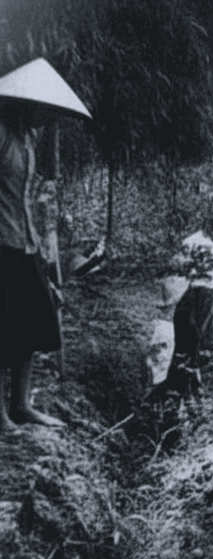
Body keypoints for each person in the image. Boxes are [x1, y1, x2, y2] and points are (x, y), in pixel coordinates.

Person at [0, 58, 91, 432]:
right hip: (0, 242)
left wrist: (41, 239)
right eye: (42, 110)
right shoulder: (2, 133)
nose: (46, 118)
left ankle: (21, 404)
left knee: (32, 320)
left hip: (23, 241)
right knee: (3, 324)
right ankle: (1, 415)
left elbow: (24, 195)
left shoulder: (27, 138)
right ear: (25, 103)